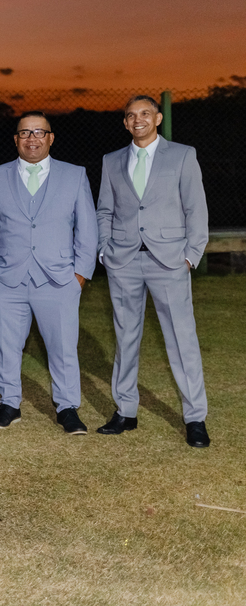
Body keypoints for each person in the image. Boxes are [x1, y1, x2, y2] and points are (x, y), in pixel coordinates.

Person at [95, 95, 210, 447]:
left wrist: (191, 255)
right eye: (131, 115)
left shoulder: (182, 155)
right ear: (125, 123)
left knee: (182, 339)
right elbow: (104, 210)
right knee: (125, 337)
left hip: (169, 260)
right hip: (124, 262)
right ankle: (125, 411)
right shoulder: (111, 160)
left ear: (158, 118)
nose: (138, 119)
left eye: (145, 113)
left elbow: (196, 208)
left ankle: (195, 417)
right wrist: (105, 250)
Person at [0, 112, 98, 435]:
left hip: (59, 280)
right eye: (25, 133)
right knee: (6, 346)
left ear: (51, 138)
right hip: (6, 281)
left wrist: (79, 276)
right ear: (16, 139)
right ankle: (9, 404)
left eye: (39, 132)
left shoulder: (74, 175)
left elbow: (87, 230)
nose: (32, 139)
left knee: (63, 347)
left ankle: (67, 407)